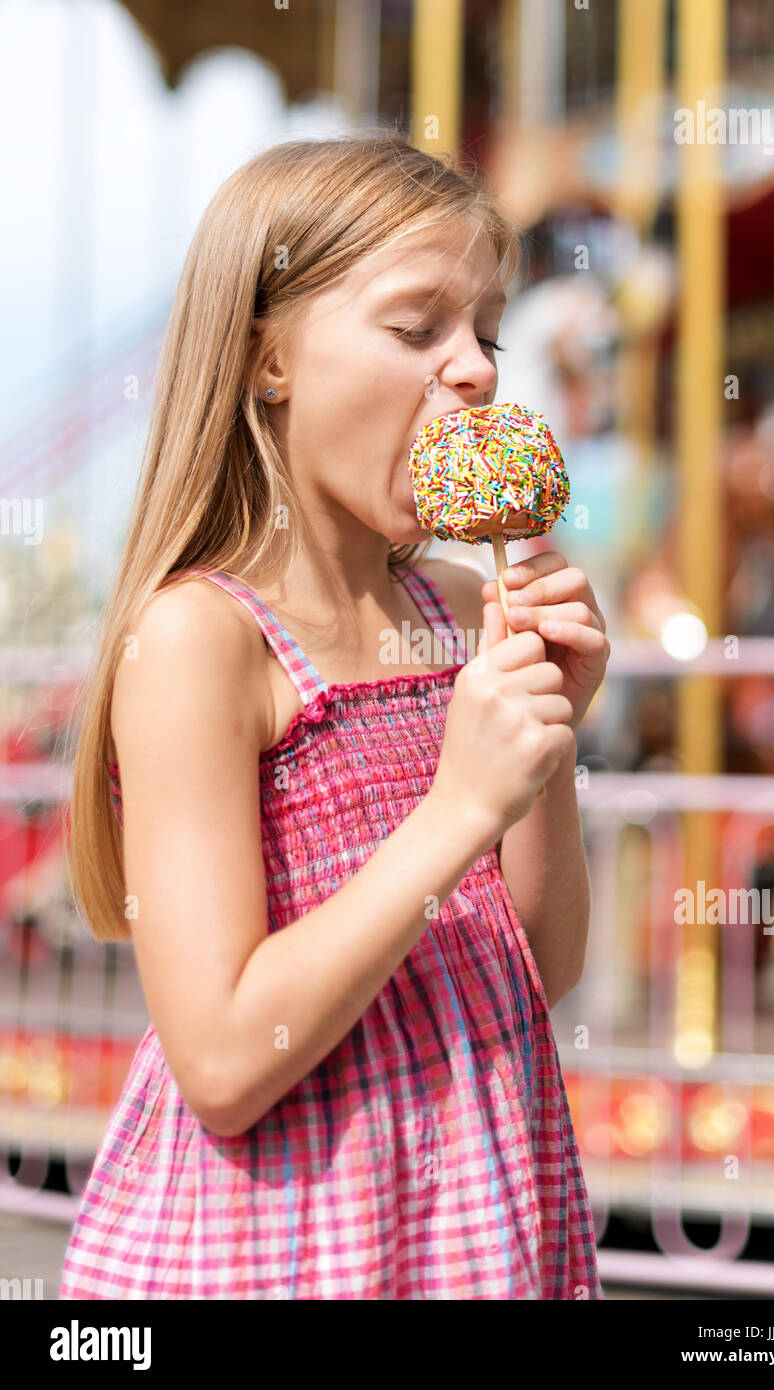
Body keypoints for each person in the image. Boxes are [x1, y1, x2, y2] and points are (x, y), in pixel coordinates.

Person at [58, 133, 609, 1300]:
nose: (473, 371)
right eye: (417, 329)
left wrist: (544, 741)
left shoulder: (461, 608)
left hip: (475, 1194)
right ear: (269, 361)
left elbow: (539, 966)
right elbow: (219, 1058)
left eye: (486, 334)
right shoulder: (203, 641)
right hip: (293, 1225)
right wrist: (457, 806)